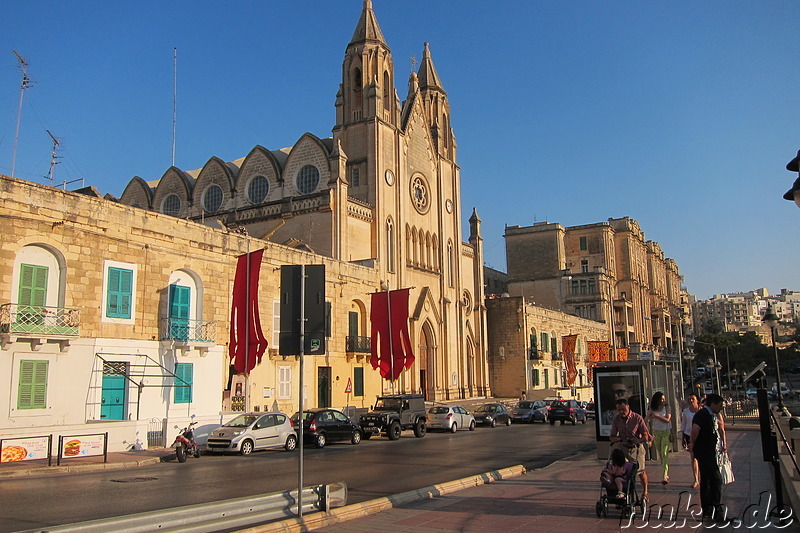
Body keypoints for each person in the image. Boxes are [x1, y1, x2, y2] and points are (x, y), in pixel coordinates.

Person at [688, 393, 725, 522]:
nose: (721, 408)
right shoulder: (703, 415)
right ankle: (715, 508)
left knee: (707, 480)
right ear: (713, 404)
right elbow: (694, 430)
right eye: (720, 405)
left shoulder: (709, 415)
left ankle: (708, 509)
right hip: (704, 453)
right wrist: (692, 444)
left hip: (707, 452)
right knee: (716, 479)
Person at [609, 398, 651, 500]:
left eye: (623, 409)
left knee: (640, 471)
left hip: (636, 449)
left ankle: (645, 491)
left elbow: (646, 436)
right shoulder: (617, 419)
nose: (621, 412)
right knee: (623, 471)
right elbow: (612, 436)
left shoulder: (637, 418)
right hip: (623, 448)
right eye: (619, 410)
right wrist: (617, 439)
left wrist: (639, 440)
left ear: (628, 407)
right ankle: (623, 493)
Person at [646, 391, 672, 485]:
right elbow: (646, 419)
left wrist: (656, 416)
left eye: (664, 399)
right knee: (660, 454)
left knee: (664, 451)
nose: (663, 401)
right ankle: (665, 471)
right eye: (661, 399)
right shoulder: (652, 408)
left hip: (665, 432)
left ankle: (664, 475)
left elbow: (667, 420)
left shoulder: (667, 408)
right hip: (656, 432)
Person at [681, 394, 701, 488]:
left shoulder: (701, 411)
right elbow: (684, 424)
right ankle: (696, 479)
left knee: (701, 456)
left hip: (701, 435)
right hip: (689, 434)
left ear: (697, 400)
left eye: (693, 399)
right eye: (689, 399)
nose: (691, 401)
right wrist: (682, 438)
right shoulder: (686, 411)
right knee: (693, 457)